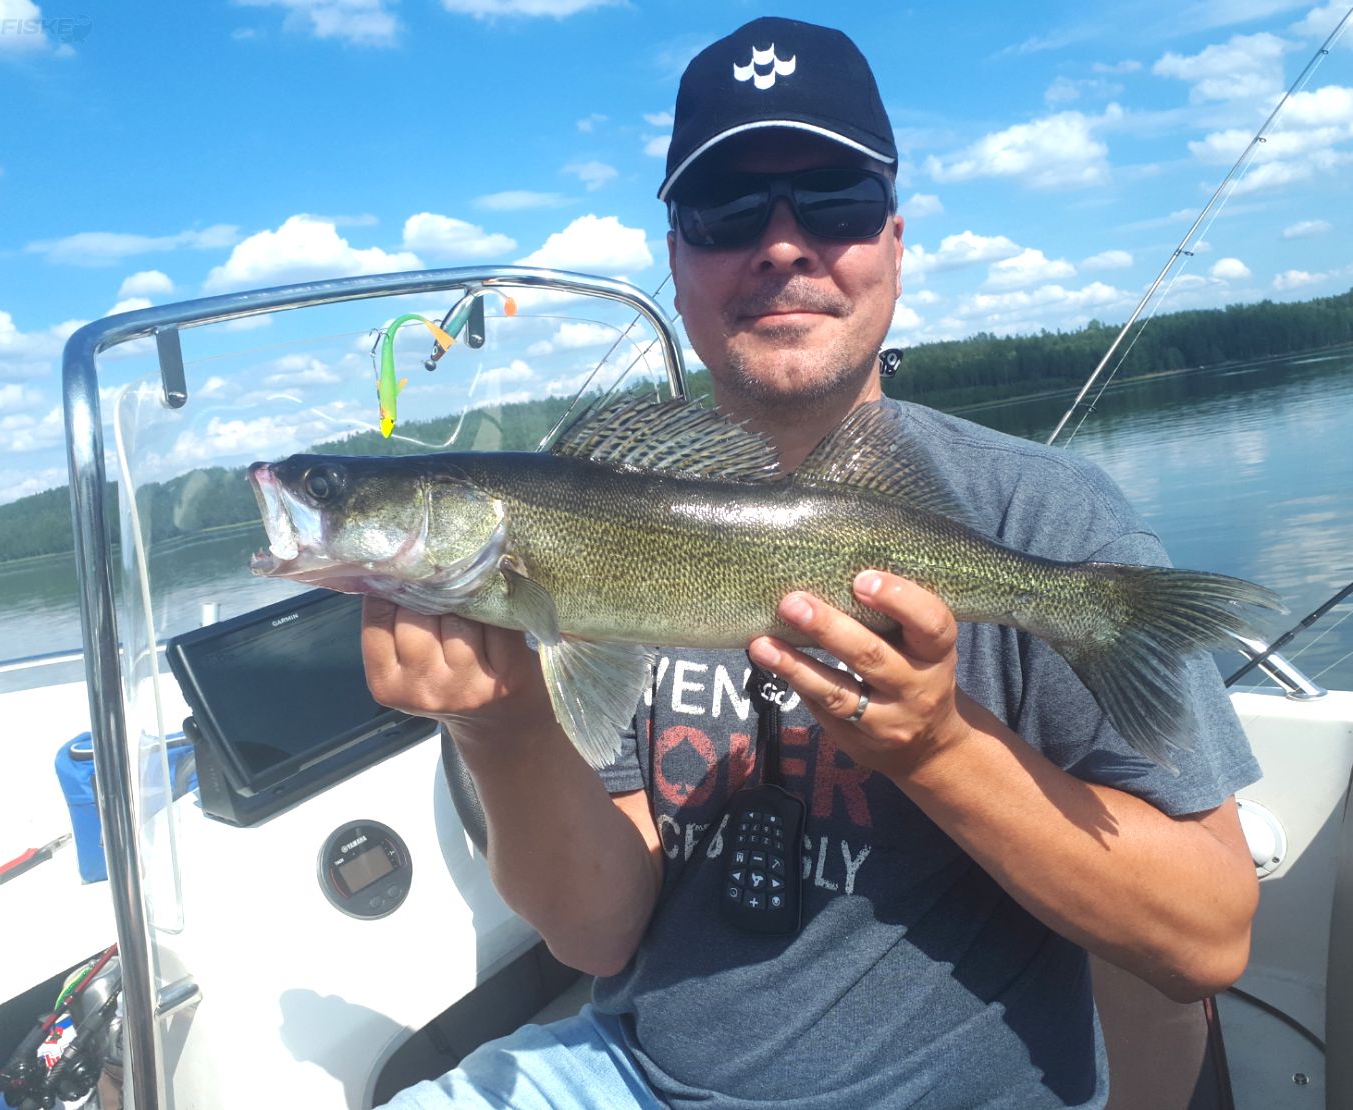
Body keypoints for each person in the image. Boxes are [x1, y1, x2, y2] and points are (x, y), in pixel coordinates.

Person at [368, 16, 1261, 1109]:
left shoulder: (1047, 518)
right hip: (630, 1075)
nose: (783, 245)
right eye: (726, 208)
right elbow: (597, 936)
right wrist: (500, 729)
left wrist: (937, 748)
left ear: (895, 241)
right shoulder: (557, 545)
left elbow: (1209, 938)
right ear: (677, 263)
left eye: (833, 201)